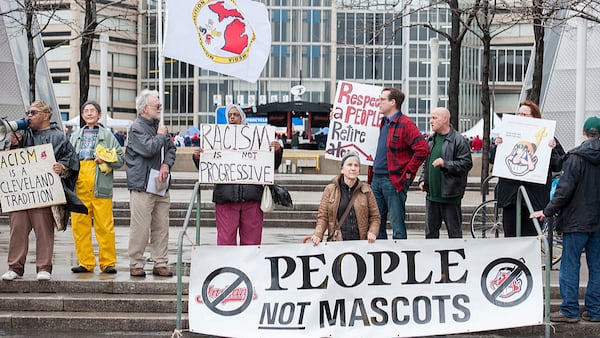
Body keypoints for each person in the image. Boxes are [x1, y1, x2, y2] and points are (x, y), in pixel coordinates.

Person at [1, 100, 86, 281]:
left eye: (34, 113)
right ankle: (15, 267)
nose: (29, 116)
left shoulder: (59, 137)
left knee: (44, 230)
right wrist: (14, 144)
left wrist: (62, 168)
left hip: (43, 194)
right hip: (21, 194)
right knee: (17, 229)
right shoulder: (23, 135)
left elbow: (71, 161)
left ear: (47, 115)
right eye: (28, 113)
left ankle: (43, 267)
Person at [530, 116, 600, 323]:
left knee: (570, 264)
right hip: (598, 223)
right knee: (596, 266)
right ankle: (595, 310)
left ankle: (570, 309)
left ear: (584, 133)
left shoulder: (576, 157)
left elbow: (564, 190)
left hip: (576, 221)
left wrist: (547, 211)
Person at [193, 105, 283, 245]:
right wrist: (199, 157)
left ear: (242, 118)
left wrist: (277, 151)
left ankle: (249, 267)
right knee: (225, 240)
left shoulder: (258, 138)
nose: (232, 117)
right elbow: (209, 168)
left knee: (252, 241)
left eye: (235, 114)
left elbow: (273, 165)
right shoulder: (218, 138)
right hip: (226, 198)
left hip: (252, 197)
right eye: (229, 115)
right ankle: (227, 266)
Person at [490, 100, 565, 237]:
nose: (520, 117)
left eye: (525, 114)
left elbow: (559, 165)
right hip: (510, 198)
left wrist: (552, 150)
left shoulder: (547, 137)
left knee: (531, 239)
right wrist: (497, 146)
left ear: (535, 118)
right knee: (511, 237)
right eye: (519, 114)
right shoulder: (507, 134)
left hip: (534, 198)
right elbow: (493, 159)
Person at [69, 101, 125, 274]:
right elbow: (69, 158)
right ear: (82, 115)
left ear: (99, 115)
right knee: (79, 226)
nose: (89, 113)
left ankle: (108, 262)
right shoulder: (75, 136)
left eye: (93, 110)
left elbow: (121, 159)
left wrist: (106, 159)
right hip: (80, 186)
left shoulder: (108, 136)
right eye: (86, 111)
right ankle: (85, 262)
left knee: (105, 226)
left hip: (101, 186)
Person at [125, 89, 177, 277]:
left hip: (160, 182)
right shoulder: (137, 127)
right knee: (140, 226)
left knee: (161, 225)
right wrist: (161, 136)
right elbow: (149, 149)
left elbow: (171, 149)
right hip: (142, 184)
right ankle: (136, 263)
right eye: (157, 105)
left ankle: (160, 262)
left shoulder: (159, 126)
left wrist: (166, 164)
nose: (160, 107)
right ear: (145, 108)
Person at [370, 87, 430, 239]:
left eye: (382, 99)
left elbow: (422, 149)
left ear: (392, 102)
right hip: (376, 179)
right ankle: (380, 256)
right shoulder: (383, 123)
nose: (379, 102)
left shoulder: (406, 124)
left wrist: (409, 171)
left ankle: (400, 257)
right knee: (377, 222)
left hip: (394, 180)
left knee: (397, 224)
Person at [418, 108, 472, 239]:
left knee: (454, 235)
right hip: (432, 197)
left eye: (434, 118)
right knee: (430, 235)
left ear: (445, 120)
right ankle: (431, 259)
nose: (431, 121)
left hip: (450, 197)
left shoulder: (458, 140)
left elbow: (466, 164)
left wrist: (445, 164)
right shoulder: (431, 140)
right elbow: (426, 164)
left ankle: (457, 258)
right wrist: (422, 179)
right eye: (431, 118)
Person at [310, 152, 380, 245]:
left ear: (359, 170)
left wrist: (372, 232)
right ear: (342, 169)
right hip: (337, 244)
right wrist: (318, 234)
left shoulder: (367, 190)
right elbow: (323, 217)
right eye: (349, 165)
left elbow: (375, 217)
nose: (353, 168)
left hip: (361, 244)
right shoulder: (330, 190)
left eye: (356, 165)